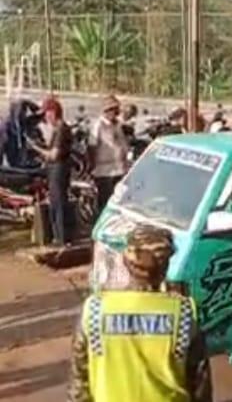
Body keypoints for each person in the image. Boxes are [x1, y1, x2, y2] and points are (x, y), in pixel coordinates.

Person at [68, 224, 213, 402]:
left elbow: (80, 384)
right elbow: (200, 388)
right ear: (165, 267)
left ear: (126, 263)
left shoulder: (94, 310)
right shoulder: (183, 313)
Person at [28, 97, 73, 247]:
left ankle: (62, 238)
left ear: (53, 112)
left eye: (46, 113)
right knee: (56, 202)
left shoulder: (61, 129)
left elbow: (54, 154)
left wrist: (36, 148)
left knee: (58, 202)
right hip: (57, 169)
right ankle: (59, 236)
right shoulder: (58, 129)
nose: (46, 118)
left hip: (58, 169)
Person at [89, 96, 129, 215]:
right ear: (106, 111)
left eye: (116, 109)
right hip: (104, 172)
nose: (115, 112)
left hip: (119, 170)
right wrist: (92, 166)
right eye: (112, 109)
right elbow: (92, 146)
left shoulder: (117, 125)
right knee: (105, 202)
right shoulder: (99, 125)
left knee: (119, 200)